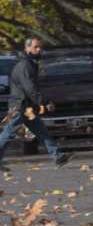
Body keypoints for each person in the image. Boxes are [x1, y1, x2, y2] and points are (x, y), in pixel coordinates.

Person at [0, 37, 73, 171]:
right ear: (27, 49)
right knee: (8, 133)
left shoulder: (31, 63)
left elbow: (34, 88)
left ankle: (58, 156)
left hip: (28, 108)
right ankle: (57, 155)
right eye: (35, 47)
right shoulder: (24, 66)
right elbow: (30, 88)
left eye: (40, 47)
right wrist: (43, 103)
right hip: (19, 106)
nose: (39, 49)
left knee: (41, 132)